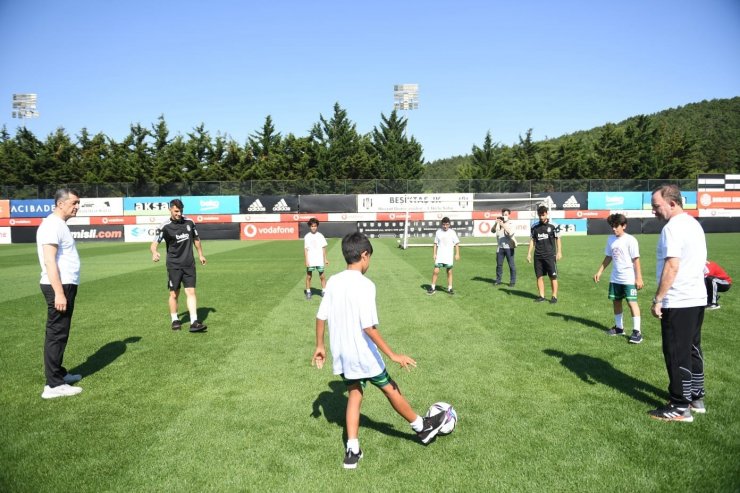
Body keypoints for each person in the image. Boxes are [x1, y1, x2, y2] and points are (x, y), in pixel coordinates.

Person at [311, 232, 447, 469]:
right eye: (369, 257)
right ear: (364, 255)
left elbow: (320, 316)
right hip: (363, 355)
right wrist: (393, 355)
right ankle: (421, 428)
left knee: (355, 394)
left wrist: (320, 346)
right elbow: (369, 328)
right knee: (390, 388)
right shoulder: (365, 285)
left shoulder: (332, 281)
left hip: (342, 354)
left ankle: (352, 450)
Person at [649, 184, 707, 422]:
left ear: (672, 203)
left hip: (679, 299)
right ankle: (696, 397)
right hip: (696, 297)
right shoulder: (694, 224)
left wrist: (659, 298)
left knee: (676, 352)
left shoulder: (672, 228)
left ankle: (679, 406)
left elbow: (672, 265)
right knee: (692, 348)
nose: (653, 211)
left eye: (656, 206)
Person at [37, 188, 84, 399]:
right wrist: (59, 293)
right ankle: (53, 385)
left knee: (61, 333)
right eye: (74, 203)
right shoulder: (51, 225)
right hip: (58, 286)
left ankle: (59, 373)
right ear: (61, 203)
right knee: (57, 333)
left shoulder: (59, 225)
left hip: (65, 285)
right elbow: (49, 260)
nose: (77, 207)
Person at [150, 199, 208, 332]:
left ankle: (194, 322)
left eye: (181, 211)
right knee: (174, 294)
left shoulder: (190, 222)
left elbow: (196, 240)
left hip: (189, 263)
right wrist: (154, 252)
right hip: (174, 265)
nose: (179, 213)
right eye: (176, 211)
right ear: (170, 209)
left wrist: (200, 255)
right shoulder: (164, 226)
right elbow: (154, 245)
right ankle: (175, 319)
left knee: (191, 291)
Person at [593, 214, 644, 343]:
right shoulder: (610, 239)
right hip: (615, 278)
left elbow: (636, 260)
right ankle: (619, 328)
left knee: (632, 302)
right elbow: (608, 257)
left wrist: (639, 278)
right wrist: (600, 271)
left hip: (628, 279)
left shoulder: (631, 240)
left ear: (624, 226)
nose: (614, 229)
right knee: (616, 302)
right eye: (612, 226)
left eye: (616, 226)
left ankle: (637, 332)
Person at [527, 205, 562, 303]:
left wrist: (559, 252)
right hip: (538, 256)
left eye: (543, 215)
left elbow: (558, 239)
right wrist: (529, 253)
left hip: (550, 256)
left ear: (547, 213)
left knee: (553, 276)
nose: (541, 217)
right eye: (540, 215)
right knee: (539, 276)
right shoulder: (534, 227)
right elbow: (532, 241)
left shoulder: (554, 225)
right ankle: (541, 296)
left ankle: (554, 296)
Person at [427, 217, 461, 295]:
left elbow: (456, 243)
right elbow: (435, 244)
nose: (445, 226)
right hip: (440, 255)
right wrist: (434, 254)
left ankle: (450, 288)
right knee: (436, 271)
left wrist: (457, 253)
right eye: (444, 224)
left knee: (449, 271)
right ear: (442, 224)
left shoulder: (452, 232)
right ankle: (432, 287)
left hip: (448, 255)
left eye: (447, 224)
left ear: (449, 224)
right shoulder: (438, 232)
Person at [304, 217, 329, 300]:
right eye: (312, 226)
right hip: (311, 260)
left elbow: (324, 248)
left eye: (315, 226)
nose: (313, 227)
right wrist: (306, 260)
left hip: (319, 260)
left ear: (317, 226)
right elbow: (306, 249)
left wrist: (325, 259)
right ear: (309, 227)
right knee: (309, 276)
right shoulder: (307, 236)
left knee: (322, 276)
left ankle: (324, 291)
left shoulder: (320, 236)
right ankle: (308, 292)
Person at [492, 208, 517, 287]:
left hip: (509, 247)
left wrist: (503, 225)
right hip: (500, 247)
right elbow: (492, 231)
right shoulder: (499, 223)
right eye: (503, 214)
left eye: (506, 214)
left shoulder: (511, 223)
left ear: (509, 215)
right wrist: (496, 223)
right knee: (499, 265)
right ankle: (498, 280)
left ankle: (512, 282)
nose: (504, 216)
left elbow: (510, 233)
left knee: (511, 265)